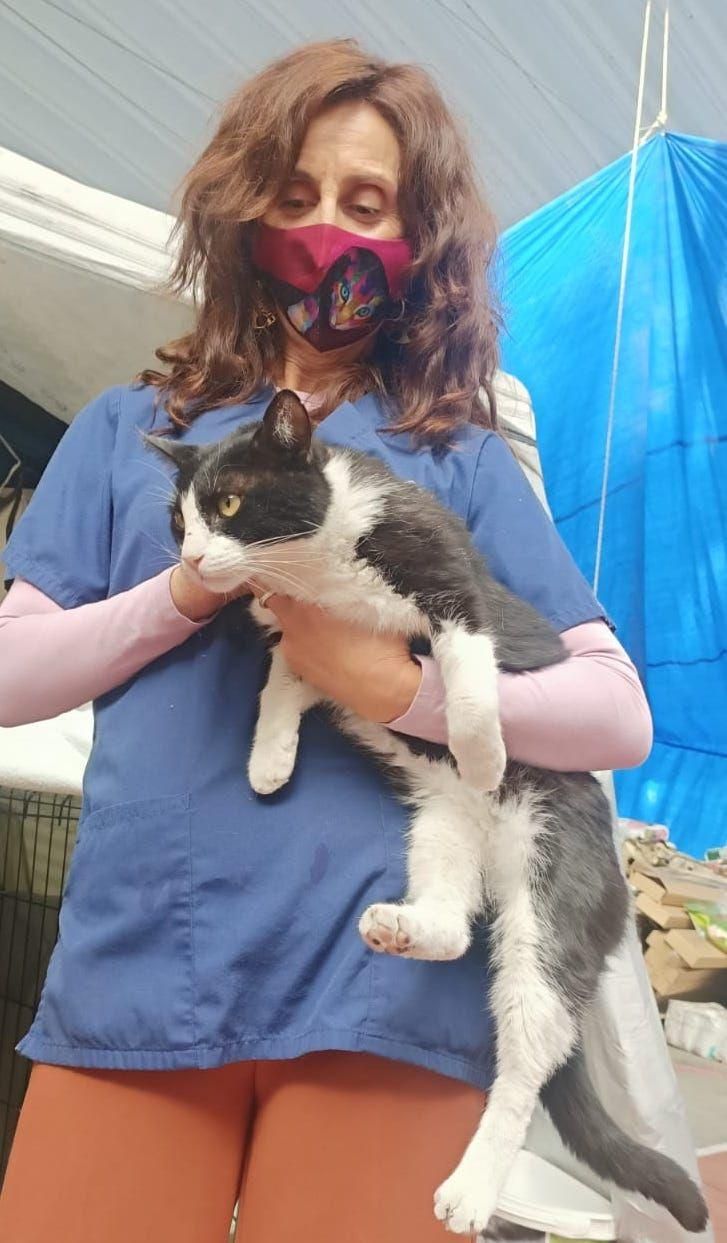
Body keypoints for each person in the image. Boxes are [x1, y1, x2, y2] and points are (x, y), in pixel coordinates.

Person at [0, 40, 652, 1243]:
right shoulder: (133, 433)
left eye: (366, 205)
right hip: (148, 959)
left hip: (382, 980)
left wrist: (393, 685)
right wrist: (185, 595)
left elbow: (616, 711)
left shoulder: (454, 456)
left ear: (418, 245)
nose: (323, 232)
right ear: (239, 211)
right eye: (293, 196)